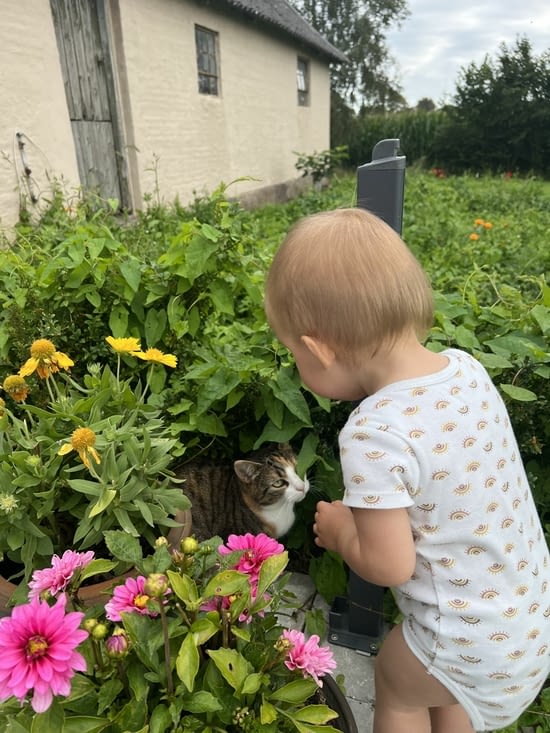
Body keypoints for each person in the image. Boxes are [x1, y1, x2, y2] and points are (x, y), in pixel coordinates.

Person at [264, 207, 550, 733]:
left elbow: (389, 564)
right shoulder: (467, 369)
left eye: (292, 355)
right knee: (445, 697)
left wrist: (343, 532)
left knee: (398, 680)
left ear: (317, 348)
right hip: (525, 620)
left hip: (465, 637)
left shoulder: (374, 432)